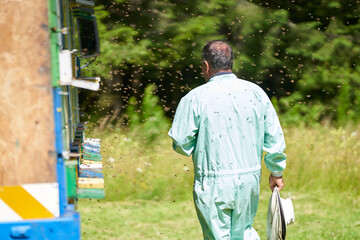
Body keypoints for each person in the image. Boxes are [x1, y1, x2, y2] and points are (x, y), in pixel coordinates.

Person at [168, 40, 287, 240]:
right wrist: (276, 172)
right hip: (250, 177)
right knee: (245, 232)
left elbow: (180, 142)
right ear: (230, 62)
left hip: (213, 180)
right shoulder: (256, 92)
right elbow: (274, 136)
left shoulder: (194, 97)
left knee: (218, 236)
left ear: (206, 65)